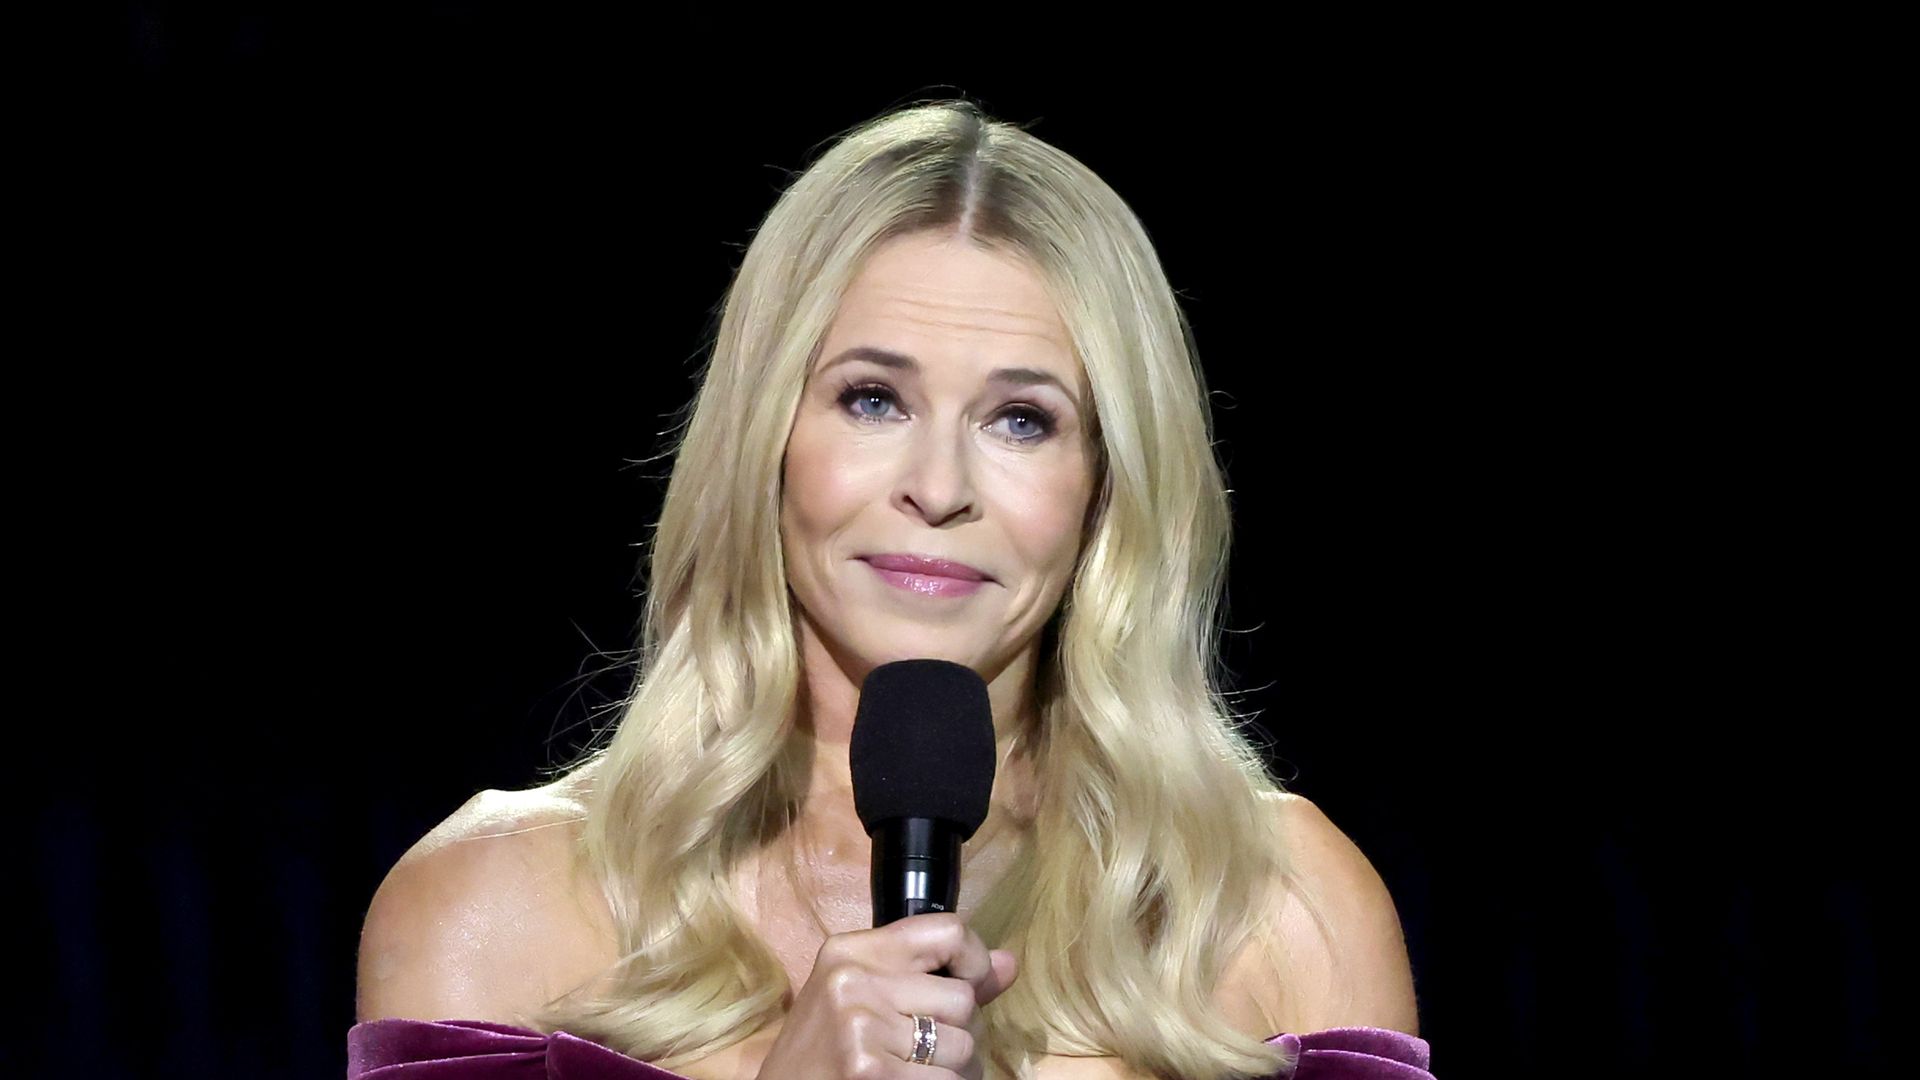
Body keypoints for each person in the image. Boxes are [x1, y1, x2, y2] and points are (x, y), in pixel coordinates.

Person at [350, 99, 1431, 1080]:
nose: (939, 488)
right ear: (765, 437)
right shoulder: (490, 910)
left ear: (1107, 485)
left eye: (1021, 420)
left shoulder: (1279, 909)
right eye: (873, 400)